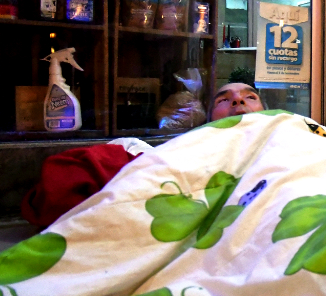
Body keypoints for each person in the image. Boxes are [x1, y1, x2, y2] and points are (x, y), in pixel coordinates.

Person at [21, 81, 266, 227]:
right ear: (209, 118)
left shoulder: (289, 133)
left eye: (250, 97)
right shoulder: (173, 152)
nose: (237, 100)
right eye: (223, 100)